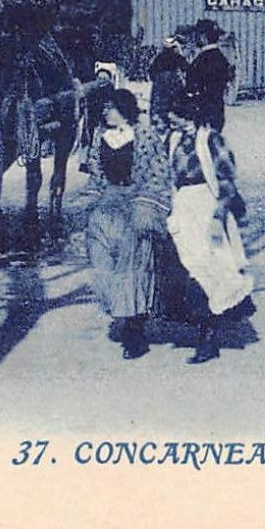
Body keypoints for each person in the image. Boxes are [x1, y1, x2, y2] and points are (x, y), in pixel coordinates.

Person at [163, 97, 254, 365]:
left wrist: (218, 215)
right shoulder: (173, 140)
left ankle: (208, 337)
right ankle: (201, 330)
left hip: (206, 206)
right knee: (187, 269)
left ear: (187, 114)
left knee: (213, 269)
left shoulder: (211, 140)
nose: (170, 120)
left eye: (174, 116)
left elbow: (226, 180)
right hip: (182, 207)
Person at [84, 89, 171, 359]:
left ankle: (135, 331)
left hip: (136, 203)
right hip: (109, 203)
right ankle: (120, 311)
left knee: (132, 264)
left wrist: (144, 205)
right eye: (103, 107)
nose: (105, 112)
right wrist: (96, 200)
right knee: (102, 261)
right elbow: (95, 175)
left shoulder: (143, 135)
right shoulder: (100, 137)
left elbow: (158, 174)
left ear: (124, 108)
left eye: (110, 107)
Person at [186, 19, 234, 132]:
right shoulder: (220, 58)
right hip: (216, 111)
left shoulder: (203, 60)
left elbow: (192, 85)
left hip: (204, 114)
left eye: (197, 35)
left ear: (204, 37)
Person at [148, 34, 189, 132]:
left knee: (159, 109)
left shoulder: (158, 58)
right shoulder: (178, 58)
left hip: (159, 88)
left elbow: (151, 73)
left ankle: (159, 126)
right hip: (174, 87)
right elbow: (187, 69)